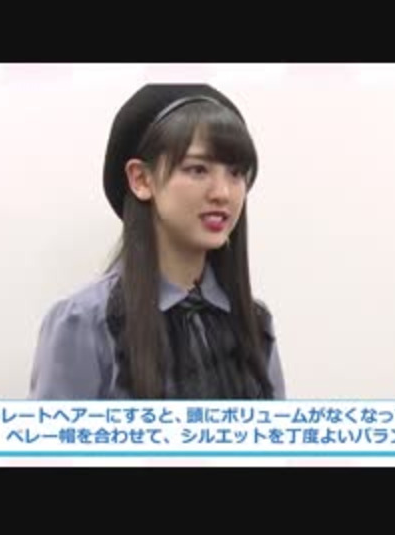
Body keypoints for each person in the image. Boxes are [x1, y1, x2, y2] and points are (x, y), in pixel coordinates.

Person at [28, 83, 286, 400]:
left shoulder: (254, 323)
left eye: (236, 173)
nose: (223, 193)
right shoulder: (84, 322)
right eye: (198, 169)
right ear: (141, 179)